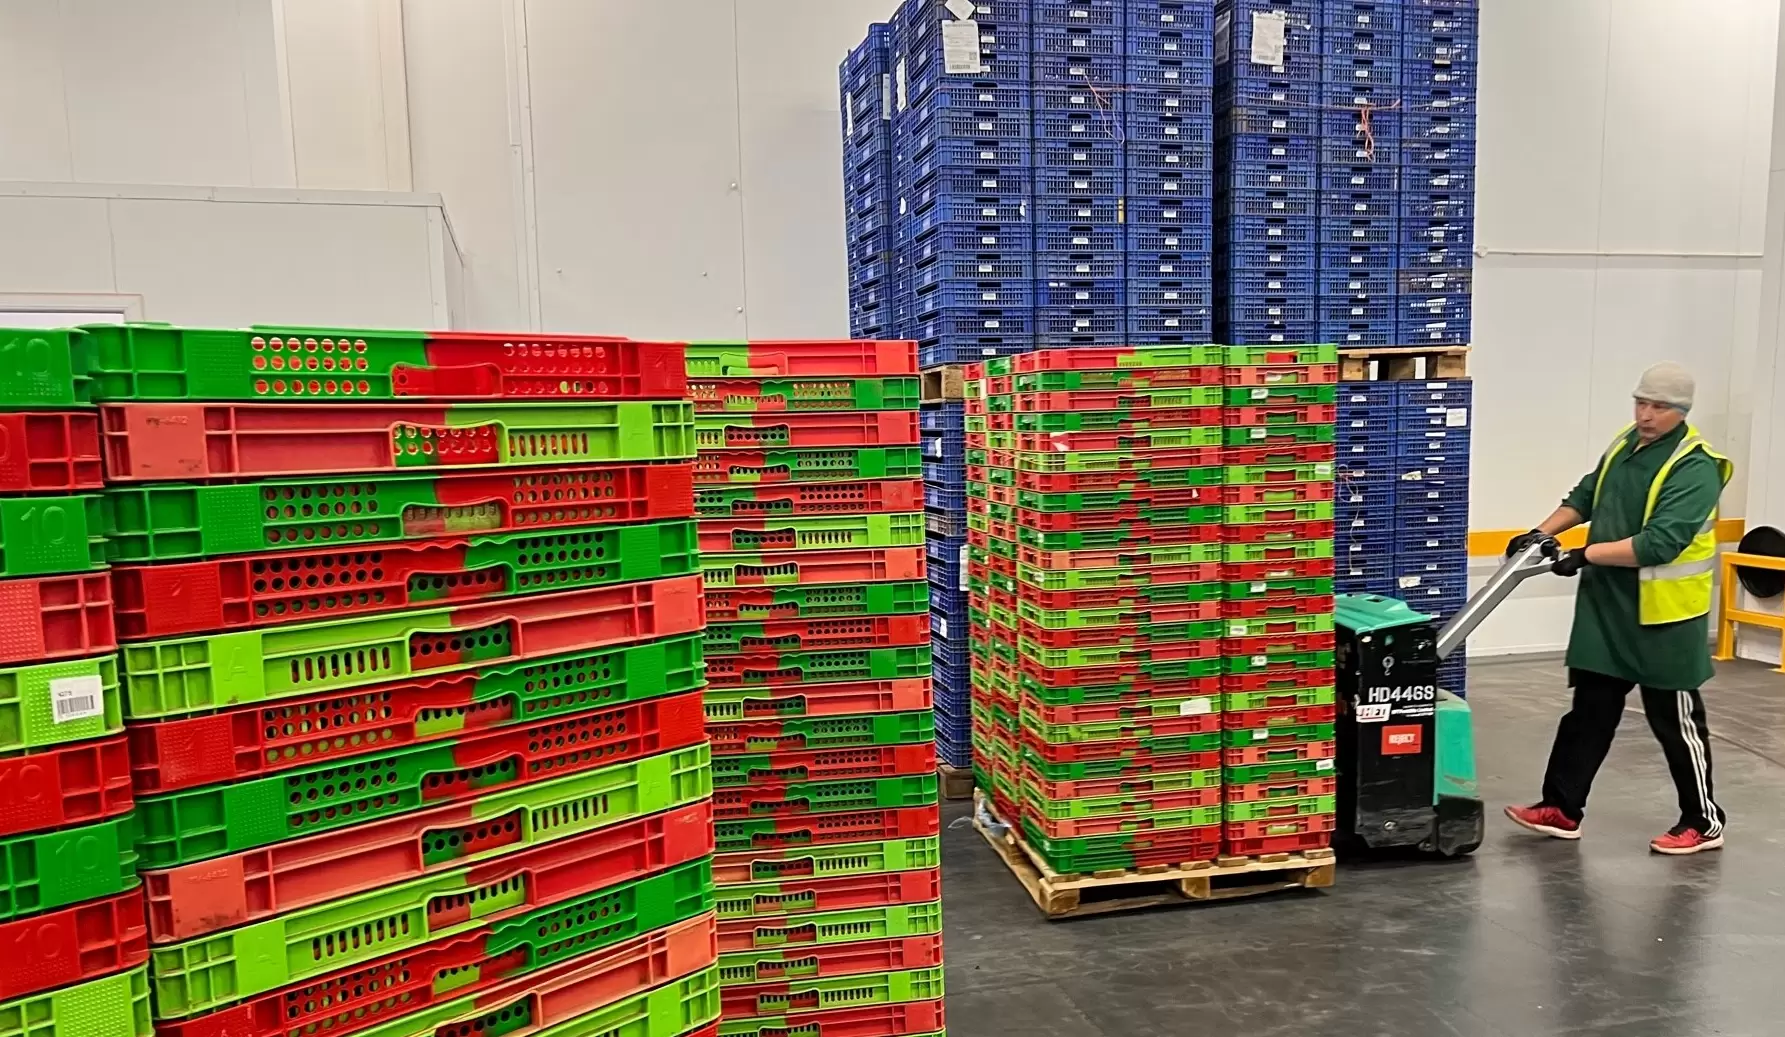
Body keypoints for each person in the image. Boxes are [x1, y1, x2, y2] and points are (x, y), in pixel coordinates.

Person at [1502, 361, 1734, 855]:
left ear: (1682, 412)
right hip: (1610, 608)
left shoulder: (1695, 467)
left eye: (1659, 407)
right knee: (1588, 712)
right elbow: (1587, 494)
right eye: (1641, 403)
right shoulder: (1627, 443)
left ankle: (1704, 820)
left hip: (1662, 617)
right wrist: (1542, 534)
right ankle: (1562, 808)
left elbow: (1659, 544)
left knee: (1674, 722)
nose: (1646, 415)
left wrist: (1583, 555)